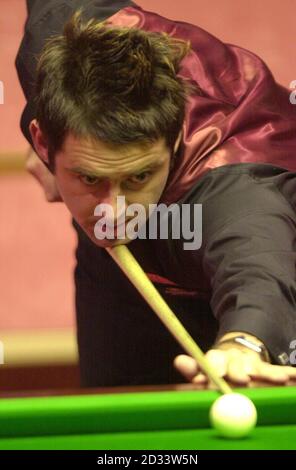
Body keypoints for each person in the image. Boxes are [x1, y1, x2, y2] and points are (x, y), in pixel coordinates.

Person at [16, 0, 296, 387]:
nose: (113, 213)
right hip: (122, 267)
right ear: (43, 139)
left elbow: (259, 265)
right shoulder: (58, 36)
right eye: (91, 177)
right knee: (114, 420)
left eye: (138, 176)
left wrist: (244, 343)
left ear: (173, 142)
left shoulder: (231, 192)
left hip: (231, 270)